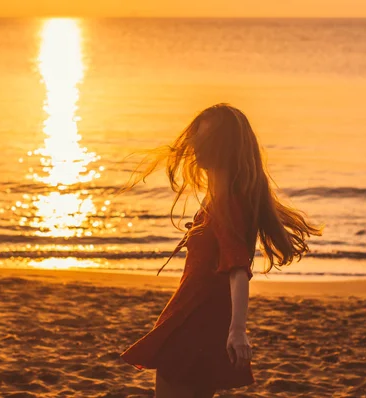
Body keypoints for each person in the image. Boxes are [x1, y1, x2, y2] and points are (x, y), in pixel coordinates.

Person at [119, 103, 323, 397]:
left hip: (196, 325)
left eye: (207, 139)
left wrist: (238, 329)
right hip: (195, 321)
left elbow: (238, 268)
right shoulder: (217, 199)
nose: (197, 146)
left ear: (224, 147)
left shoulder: (228, 203)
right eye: (197, 136)